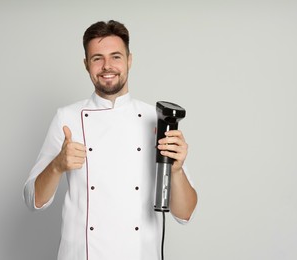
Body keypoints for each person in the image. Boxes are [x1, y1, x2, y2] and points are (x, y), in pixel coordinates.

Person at [23, 20, 197, 260]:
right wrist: (56, 166)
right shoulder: (67, 117)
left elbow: (185, 214)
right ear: (86, 65)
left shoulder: (156, 119)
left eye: (116, 56)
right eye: (97, 58)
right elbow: (34, 200)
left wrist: (176, 171)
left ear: (129, 60)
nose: (107, 66)